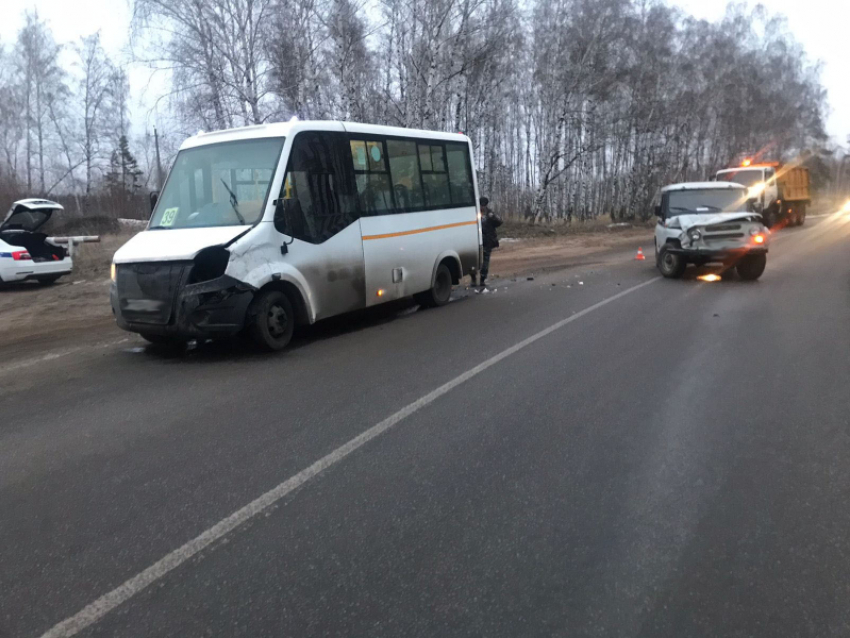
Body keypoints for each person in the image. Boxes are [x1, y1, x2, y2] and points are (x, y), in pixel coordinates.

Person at [478, 197, 502, 288]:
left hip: (487, 240)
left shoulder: (490, 213)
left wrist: (493, 218)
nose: (482, 206)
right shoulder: (474, 212)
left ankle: (482, 279)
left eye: (484, 205)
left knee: (485, 260)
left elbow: (499, 222)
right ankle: (473, 278)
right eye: (481, 204)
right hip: (477, 240)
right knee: (474, 260)